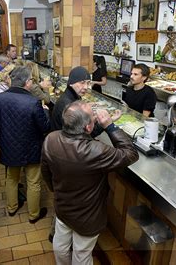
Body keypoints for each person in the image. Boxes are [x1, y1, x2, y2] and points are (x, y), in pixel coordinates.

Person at [41, 101, 138, 265]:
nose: (96, 118)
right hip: (88, 215)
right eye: (94, 118)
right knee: (82, 253)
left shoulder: (51, 138)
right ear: (87, 128)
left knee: (61, 244)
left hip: (63, 207)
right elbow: (130, 154)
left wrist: (56, 191)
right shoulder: (96, 150)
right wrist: (110, 126)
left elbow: (45, 172)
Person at [0, 66, 50, 222]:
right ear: (27, 82)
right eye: (31, 79)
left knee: (11, 179)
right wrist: (45, 110)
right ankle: (33, 214)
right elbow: (45, 127)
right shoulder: (33, 102)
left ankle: (11, 208)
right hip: (31, 147)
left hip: (9, 145)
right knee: (33, 182)